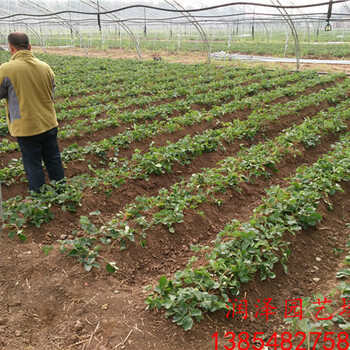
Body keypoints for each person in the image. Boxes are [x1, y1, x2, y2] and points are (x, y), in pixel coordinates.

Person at [0, 32, 65, 194]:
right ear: (29, 47)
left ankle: (39, 198)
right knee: (53, 158)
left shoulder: (6, 69)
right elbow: (51, 92)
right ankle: (61, 191)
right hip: (49, 122)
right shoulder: (45, 67)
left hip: (26, 126)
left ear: (11, 48)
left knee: (33, 162)